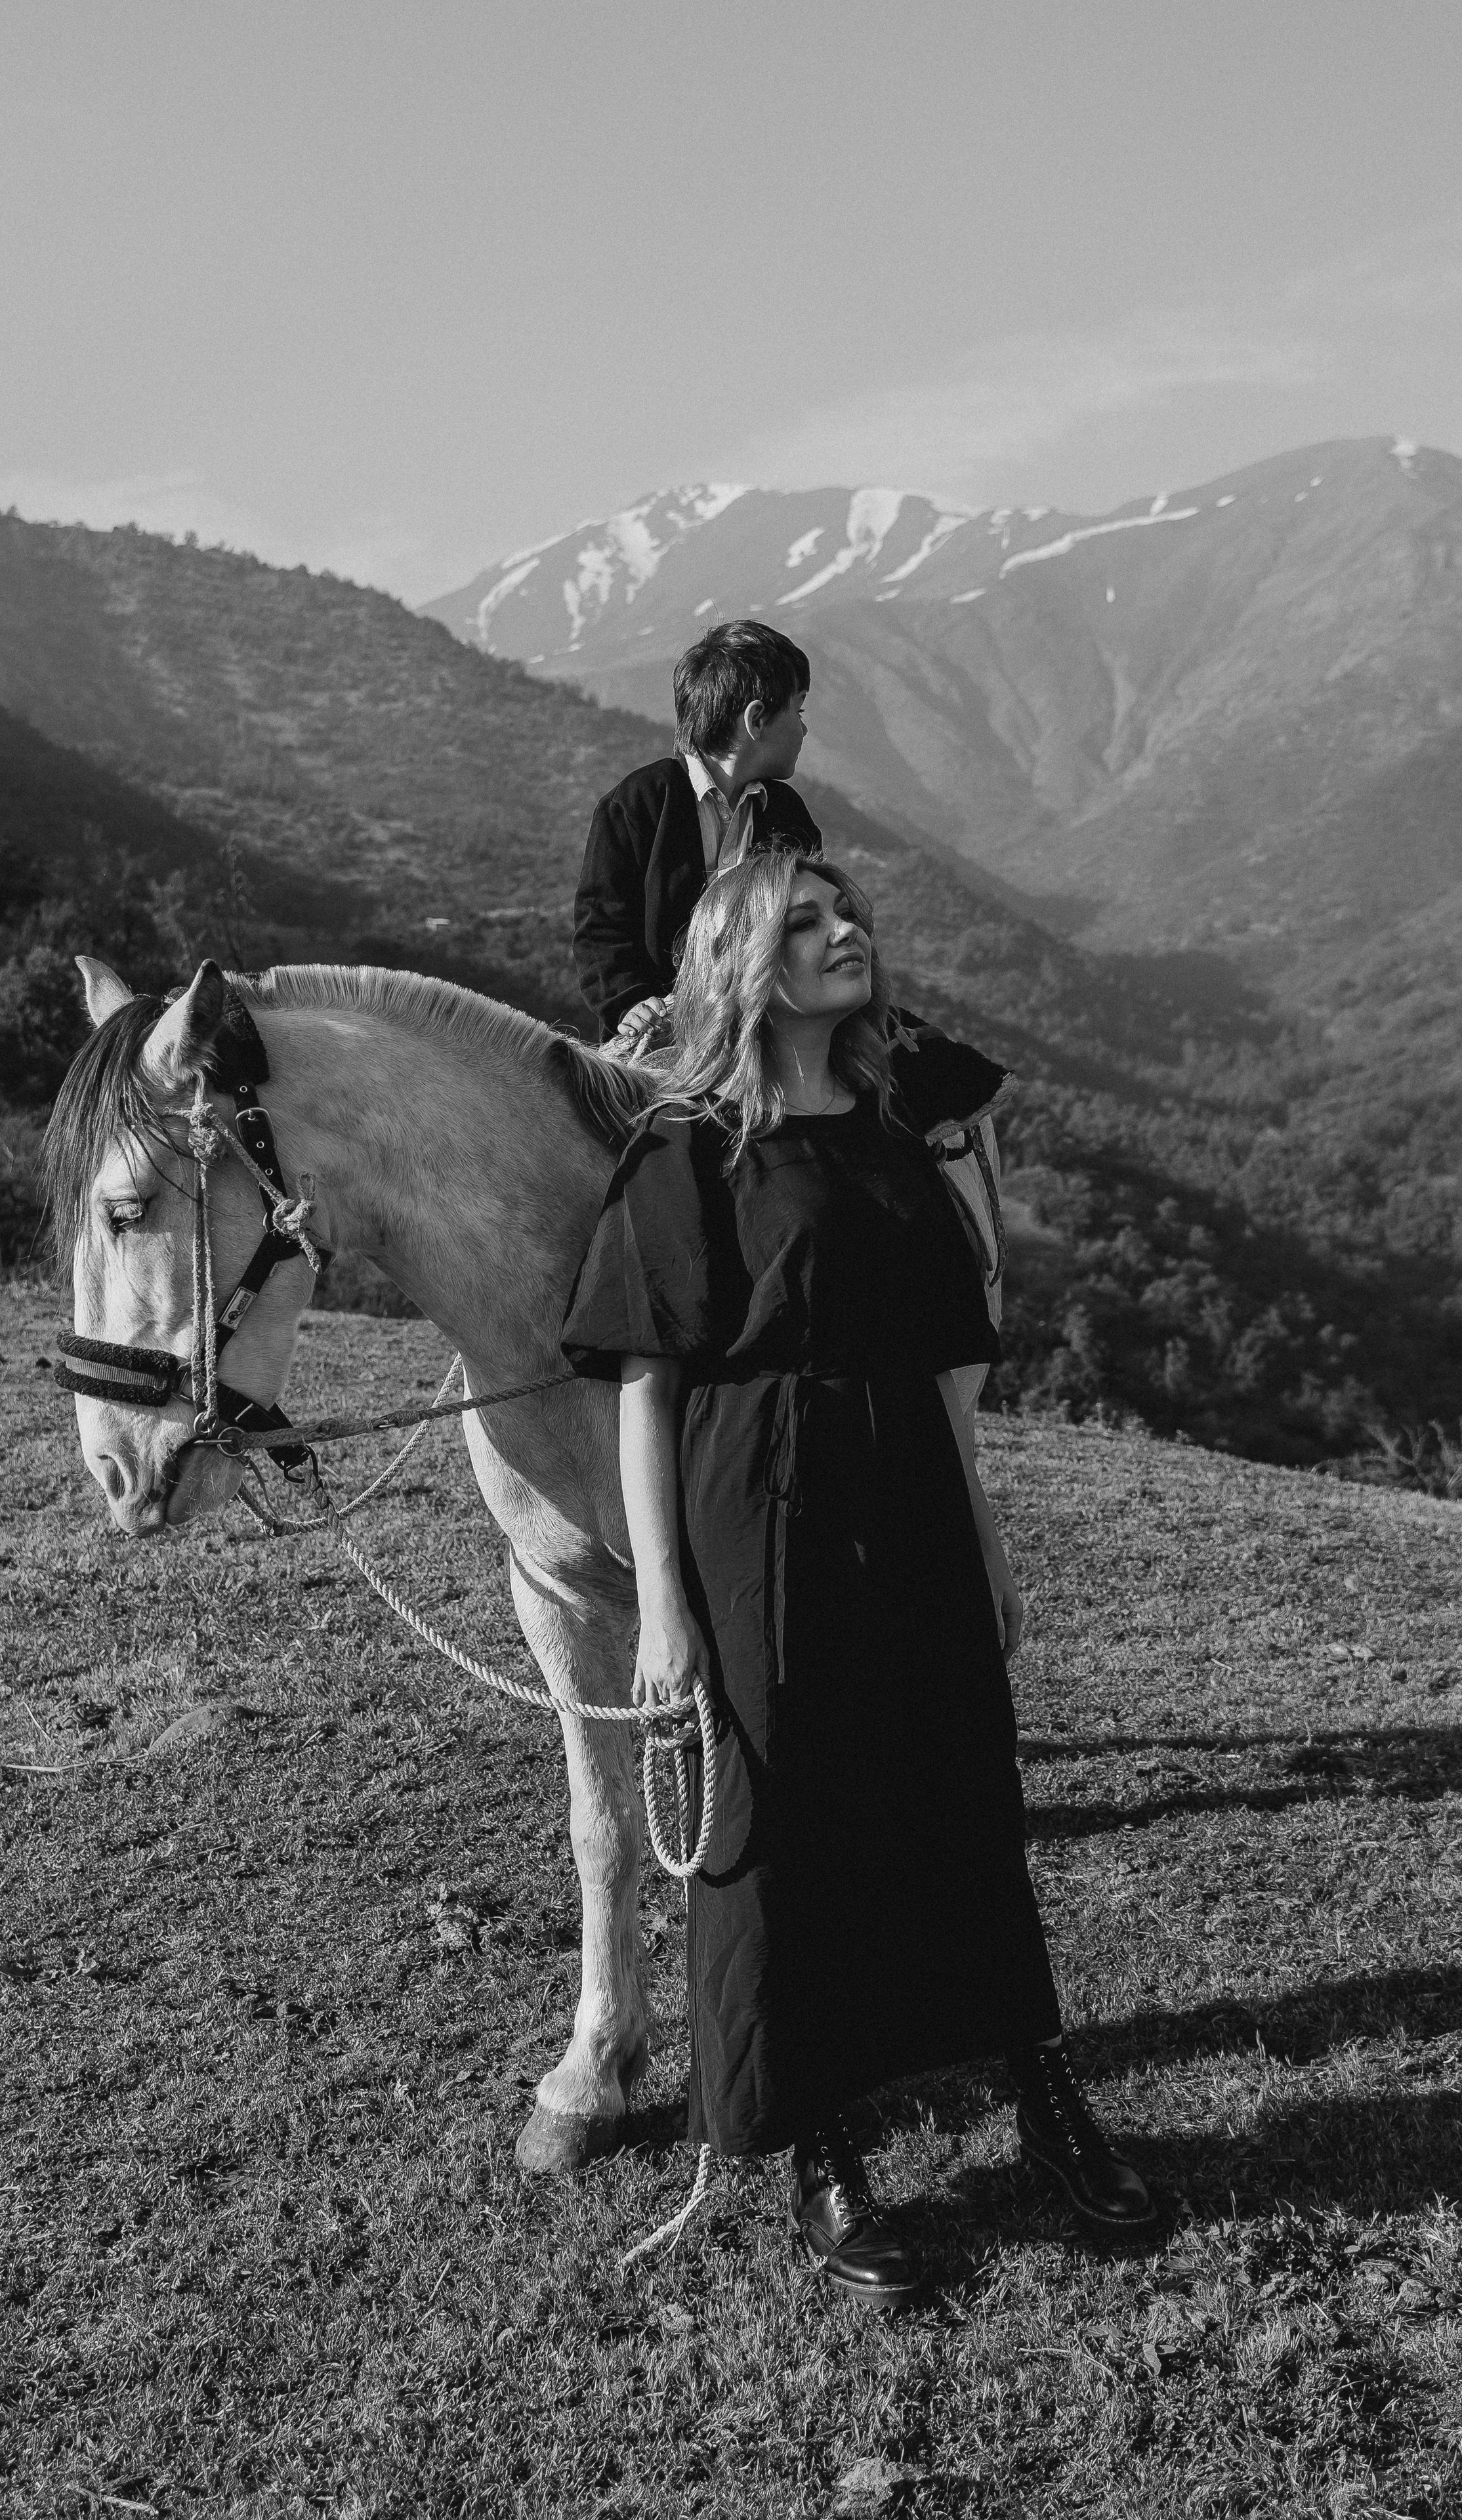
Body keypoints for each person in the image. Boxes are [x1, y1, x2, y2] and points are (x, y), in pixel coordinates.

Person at [561, 852, 1157, 2304]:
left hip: (906, 1492)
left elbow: (944, 1377)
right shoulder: (687, 1146)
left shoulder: (898, 1128)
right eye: (809, 922)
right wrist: (661, 1608)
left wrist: (987, 1535)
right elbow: (648, 1382)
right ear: (744, 958)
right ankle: (825, 2146)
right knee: (790, 1818)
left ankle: (1042, 2094)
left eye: (851, 918)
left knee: (958, 1784)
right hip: (751, 1506)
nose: (848, 936)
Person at [574, 618, 822, 1049]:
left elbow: (806, 925)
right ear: (757, 720)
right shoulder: (639, 804)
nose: (804, 729)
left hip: (757, 1042)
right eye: (797, 711)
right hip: (659, 1046)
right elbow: (602, 924)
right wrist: (630, 1001)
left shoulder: (789, 816)